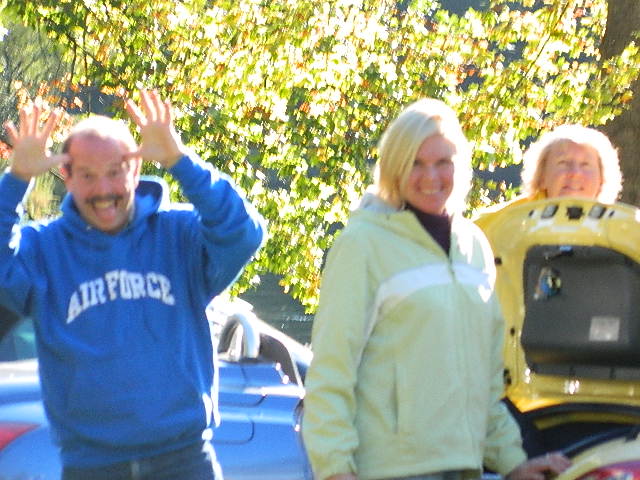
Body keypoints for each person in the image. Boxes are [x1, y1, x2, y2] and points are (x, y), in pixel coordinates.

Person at [0, 89, 265, 479]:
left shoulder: (179, 235)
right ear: (66, 177)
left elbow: (243, 232)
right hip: (91, 467)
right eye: (87, 175)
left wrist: (180, 160)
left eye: (115, 171)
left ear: (136, 171)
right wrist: (16, 180)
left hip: (185, 461)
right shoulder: (44, 250)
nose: (103, 189)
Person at [301, 98, 571, 480]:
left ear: (460, 167)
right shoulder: (362, 244)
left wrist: (513, 461)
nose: (431, 177)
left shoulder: (475, 246)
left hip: (463, 467)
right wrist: (334, 469)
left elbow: (486, 382)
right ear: (394, 167)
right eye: (416, 162)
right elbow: (331, 371)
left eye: (443, 162)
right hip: (387, 471)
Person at [475, 124, 622, 231]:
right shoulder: (492, 226)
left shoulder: (623, 229)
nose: (575, 173)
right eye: (563, 163)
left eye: (585, 165)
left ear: (602, 179)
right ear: (542, 176)